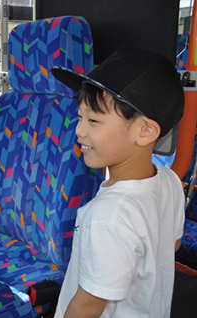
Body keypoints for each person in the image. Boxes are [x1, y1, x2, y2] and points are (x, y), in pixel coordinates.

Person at [50, 46, 185, 318]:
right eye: (79, 117)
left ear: (145, 132)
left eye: (93, 120)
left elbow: (87, 306)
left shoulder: (108, 217)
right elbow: (173, 244)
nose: (79, 130)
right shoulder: (169, 180)